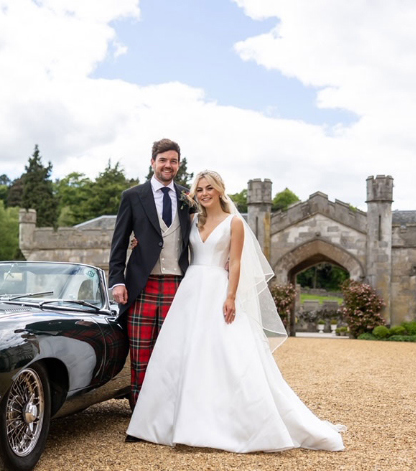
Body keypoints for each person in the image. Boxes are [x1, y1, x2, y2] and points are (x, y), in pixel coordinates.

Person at [126, 170, 345, 453]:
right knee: (182, 354)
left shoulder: (235, 222)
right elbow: (165, 239)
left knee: (225, 354)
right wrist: (137, 241)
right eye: (200, 189)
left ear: (220, 190)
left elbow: (237, 262)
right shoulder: (191, 220)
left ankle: (230, 425)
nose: (204, 193)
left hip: (218, 288)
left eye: (209, 188)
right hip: (191, 290)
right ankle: (171, 423)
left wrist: (230, 297)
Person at [109, 139, 192, 416]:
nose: (168, 165)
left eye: (174, 161)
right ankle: (141, 414)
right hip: (141, 285)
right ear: (152, 161)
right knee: (141, 354)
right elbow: (119, 242)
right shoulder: (133, 196)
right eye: (163, 160)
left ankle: (170, 412)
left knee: (173, 352)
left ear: (178, 164)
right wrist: (117, 281)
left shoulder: (188, 197)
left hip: (178, 284)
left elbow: (206, 229)